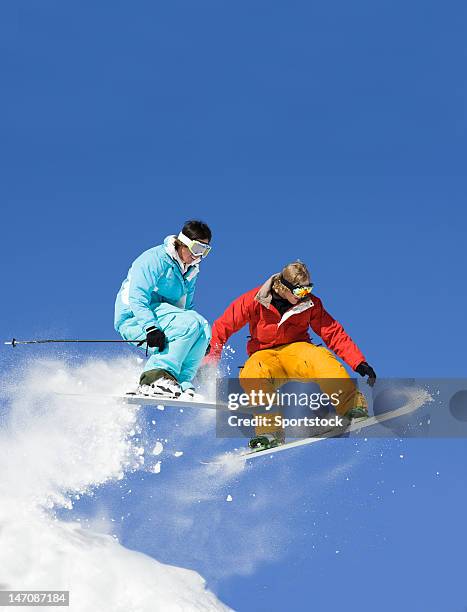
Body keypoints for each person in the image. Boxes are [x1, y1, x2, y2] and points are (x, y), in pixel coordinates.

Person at [205, 261, 376, 449]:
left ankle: (352, 407)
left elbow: (332, 332)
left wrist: (358, 361)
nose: (305, 295)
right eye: (300, 292)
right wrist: (211, 357)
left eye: (308, 289)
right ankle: (270, 433)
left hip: (297, 351)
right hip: (264, 355)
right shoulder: (255, 299)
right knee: (252, 373)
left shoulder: (310, 303)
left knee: (321, 359)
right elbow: (223, 326)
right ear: (283, 287)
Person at [115, 220, 212, 399]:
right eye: (197, 249)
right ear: (183, 243)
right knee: (189, 325)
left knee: (203, 329)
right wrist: (150, 327)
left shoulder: (190, 271)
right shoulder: (155, 259)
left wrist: (201, 339)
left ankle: (181, 382)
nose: (199, 256)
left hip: (163, 317)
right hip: (136, 317)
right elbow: (136, 296)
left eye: (205, 251)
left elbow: (187, 308)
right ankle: (154, 378)